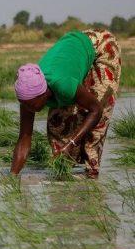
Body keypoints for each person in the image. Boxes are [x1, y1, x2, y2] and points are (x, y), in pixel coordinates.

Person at [10, 30, 120, 177]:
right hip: (72, 52)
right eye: (25, 105)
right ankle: (66, 174)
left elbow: (96, 110)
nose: (29, 109)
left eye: (32, 105)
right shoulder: (27, 94)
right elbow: (24, 137)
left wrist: (73, 142)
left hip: (99, 46)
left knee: (96, 123)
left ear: (44, 93)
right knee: (57, 126)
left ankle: (91, 177)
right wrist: (12, 176)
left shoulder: (62, 85)